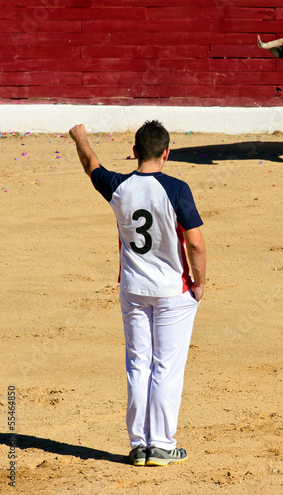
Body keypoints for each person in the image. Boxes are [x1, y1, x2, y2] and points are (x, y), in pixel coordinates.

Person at [69, 120, 206, 467]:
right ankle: (161, 444)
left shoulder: (119, 186)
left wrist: (81, 137)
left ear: (134, 153)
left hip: (133, 289)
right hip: (172, 291)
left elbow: (91, 165)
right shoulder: (177, 189)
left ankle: (139, 445)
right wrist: (200, 282)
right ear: (166, 153)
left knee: (138, 364)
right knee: (166, 367)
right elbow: (195, 243)